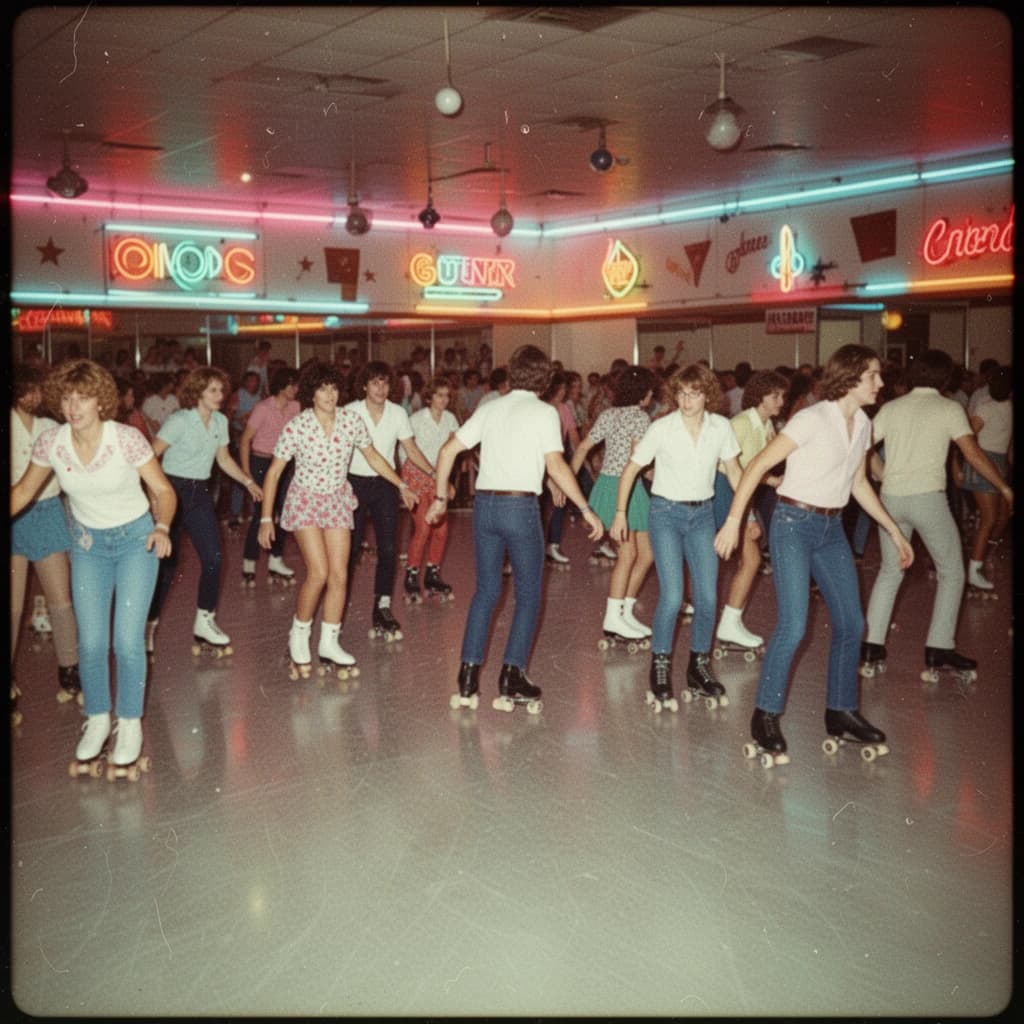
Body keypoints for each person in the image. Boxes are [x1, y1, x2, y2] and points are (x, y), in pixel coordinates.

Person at [714, 344, 914, 764]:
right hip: (793, 525)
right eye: (873, 376)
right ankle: (765, 714)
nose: (881, 383)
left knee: (851, 622)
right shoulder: (811, 419)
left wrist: (893, 529)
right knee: (794, 623)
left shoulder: (862, 423)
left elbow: (858, 483)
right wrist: (735, 520)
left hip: (831, 528)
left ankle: (841, 711)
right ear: (851, 378)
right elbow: (755, 467)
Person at [10, 359, 176, 771]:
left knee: (126, 640)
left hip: (137, 540)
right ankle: (98, 719)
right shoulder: (52, 442)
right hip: (88, 545)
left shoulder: (126, 440)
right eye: (66, 397)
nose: (73, 406)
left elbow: (162, 489)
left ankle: (130, 722)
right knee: (90, 642)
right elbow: (24, 492)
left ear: (100, 401)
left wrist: (163, 526)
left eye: (82, 397)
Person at [428, 344, 603, 712]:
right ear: (545, 377)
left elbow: (447, 451)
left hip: (485, 507)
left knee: (486, 592)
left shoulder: (490, 407)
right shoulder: (545, 413)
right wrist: (585, 508)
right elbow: (555, 464)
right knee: (528, 595)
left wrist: (441, 499)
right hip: (520, 508)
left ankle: (468, 677)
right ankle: (511, 676)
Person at [257, 361, 417, 678]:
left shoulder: (350, 421)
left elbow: (372, 456)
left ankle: (329, 642)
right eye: (322, 389)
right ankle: (298, 635)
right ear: (311, 393)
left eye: (332, 388)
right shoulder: (298, 426)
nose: (329, 395)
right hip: (304, 500)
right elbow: (275, 472)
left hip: (337, 500)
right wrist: (265, 518)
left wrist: (401, 484)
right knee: (318, 573)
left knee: (340, 575)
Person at [861, 350, 1012, 681]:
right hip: (928, 499)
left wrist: (881, 472)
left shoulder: (892, 407)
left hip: (891, 499)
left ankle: (871, 647)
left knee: (890, 572)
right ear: (946, 378)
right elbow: (972, 452)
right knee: (952, 573)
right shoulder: (949, 408)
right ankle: (939, 648)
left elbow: (863, 445)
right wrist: (1003, 486)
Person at [611, 364, 744, 712]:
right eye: (682, 393)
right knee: (672, 597)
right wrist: (621, 513)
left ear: (707, 395)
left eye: (695, 393)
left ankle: (699, 666)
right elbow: (631, 470)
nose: (687, 400)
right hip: (665, 514)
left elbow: (734, 472)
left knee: (707, 597)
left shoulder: (721, 427)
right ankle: (660, 664)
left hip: (703, 515)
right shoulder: (662, 428)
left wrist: (743, 517)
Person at [145, 367, 262, 655]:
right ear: (198, 392)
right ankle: (149, 624)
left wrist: (247, 481)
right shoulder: (179, 421)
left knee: (214, 558)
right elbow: (150, 456)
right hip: (172, 490)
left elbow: (222, 459)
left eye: (222, 390)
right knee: (166, 568)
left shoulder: (221, 421)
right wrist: (155, 497)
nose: (220, 396)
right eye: (213, 390)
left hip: (199, 494)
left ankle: (204, 622)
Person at [345, 361, 438, 640]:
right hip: (354, 484)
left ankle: (382, 605)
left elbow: (410, 449)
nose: (380, 388)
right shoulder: (351, 412)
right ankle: (337, 603)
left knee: (387, 549)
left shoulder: (398, 413)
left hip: (385, 485)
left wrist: (434, 475)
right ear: (364, 386)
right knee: (349, 551)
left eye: (385, 383)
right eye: (374, 382)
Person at [10, 365, 81, 712]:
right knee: (13, 605)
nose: (34, 397)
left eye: (38, 390)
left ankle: (69, 668)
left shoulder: (51, 427)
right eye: (27, 391)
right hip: (13, 514)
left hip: (48, 511)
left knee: (60, 600)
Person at [570, 365, 656, 646]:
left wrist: (566, 482)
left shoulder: (608, 414)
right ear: (643, 394)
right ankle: (612, 617)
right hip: (625, 487)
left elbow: (583, 448)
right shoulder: (641, 418)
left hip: (609, 484)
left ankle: (624, 612)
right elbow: (637, 460)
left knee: (647, 553)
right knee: (628, 554)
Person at [712, 370, 788, 653]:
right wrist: (752, 514)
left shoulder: (767, 425)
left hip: (737, 490)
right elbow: (735, 470)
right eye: (775, 395)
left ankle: (729, 623)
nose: (781, 401)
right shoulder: (743, 423)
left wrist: (774, 481)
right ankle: (727, 624)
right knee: (748, 558)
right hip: (724, 490)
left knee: (749, 559)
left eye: (782, 395)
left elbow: (754, 470)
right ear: (760, 397)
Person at [238, 366, 301, 586]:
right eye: (293, 384)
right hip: (261, 462)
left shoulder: (296, 407)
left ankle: (275, 559)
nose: (296, 389)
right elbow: (245, 440)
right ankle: (249, 563)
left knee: (284, 513)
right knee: (261, 515)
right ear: (282, 386)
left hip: (284, 463)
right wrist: (247, 474)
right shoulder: (263, 408)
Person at [402, 376, 459, 602]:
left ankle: (432, 573)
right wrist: (404, 484)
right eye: (439, 395)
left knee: (441, 530)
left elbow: (451, 453)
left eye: (446, 396)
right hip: (416, 473)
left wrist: (448, 481)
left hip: (439, 475)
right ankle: (411, 574)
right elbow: (405, 450)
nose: (443, 400)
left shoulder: (451, 420)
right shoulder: (416, 419)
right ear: (429, 397)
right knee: (424, 528)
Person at [959, 364, 1013, 592]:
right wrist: (959, 465)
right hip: (983, 462)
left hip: (999, 462)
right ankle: (973, 571)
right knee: (989, 519)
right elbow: (967, 436)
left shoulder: (1009, 406)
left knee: (1002, 518)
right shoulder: (985, 406)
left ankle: (980, 556)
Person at [224, 370, 262, 529]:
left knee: (255, 475)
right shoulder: (237, 395)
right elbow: (229, 417)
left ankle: (255, 512)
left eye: (255, 381)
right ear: (245, 382)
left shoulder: (259, 397)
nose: (253, 384)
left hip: (256, 441)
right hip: (241, 439)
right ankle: (235, 513)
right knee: (240, 476)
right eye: (250, 381)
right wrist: (236, 432)